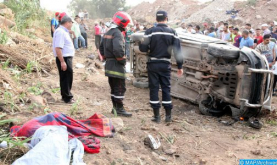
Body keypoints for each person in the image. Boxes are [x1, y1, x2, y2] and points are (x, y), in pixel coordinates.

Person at [139, 10, 183, 123]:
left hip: (153, 64)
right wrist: (180, 66)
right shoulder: (172, 32)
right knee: (166, 88)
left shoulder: (150, 31)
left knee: (154, 88)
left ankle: (157, 117)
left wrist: (148, 46)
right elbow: (177, 51)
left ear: (156, 19)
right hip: (165, 64)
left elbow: (142, 49)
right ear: (166, 18)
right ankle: (168, 117)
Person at [99, 11, 133, 117]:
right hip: (117, 65)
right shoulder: (118, 33)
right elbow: (118, 50)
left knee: (114, 87)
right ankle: (119, 109)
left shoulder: (107, 32)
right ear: (123, 23)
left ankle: (115, 107)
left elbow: (101, 48)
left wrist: (106, 58)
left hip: (109, 64)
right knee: (120, 87)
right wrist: (122, 60)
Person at [53, 15, 75, 104]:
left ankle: (66, 95)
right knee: (66, 78)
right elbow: (58, 48)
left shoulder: (62, 31)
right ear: (67, 23)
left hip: (66, 58)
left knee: (67, 77)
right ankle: (67, 97)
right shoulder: (60, 32)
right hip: (64, 58)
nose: (71, 25)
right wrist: (62, 61)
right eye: (71, 23)